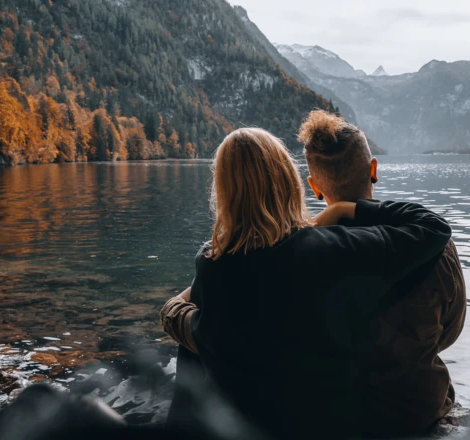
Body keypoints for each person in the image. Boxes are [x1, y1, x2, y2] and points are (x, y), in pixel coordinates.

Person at [160, 127, 453, 439]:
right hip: (326, 426)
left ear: (224, 192)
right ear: (288, 180)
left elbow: (200, 334)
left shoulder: (212, 265)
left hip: (240, 426)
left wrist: (175, 307)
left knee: (196, 342)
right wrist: (346, 208)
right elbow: (433, 228)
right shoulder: (328, 249)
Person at [298, 110, 467, 437]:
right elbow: (451, 329)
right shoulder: (435, 246)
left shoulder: (300, 254)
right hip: (419, 408)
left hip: (335, 414)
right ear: (373, 169)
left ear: (314, 186)